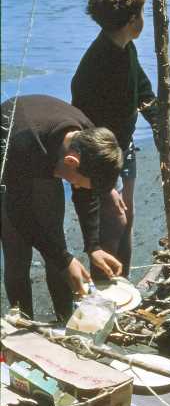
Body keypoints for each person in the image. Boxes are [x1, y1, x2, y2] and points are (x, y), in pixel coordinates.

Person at [0, 94, 123, 321]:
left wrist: (93, 246)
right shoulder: (21, 144)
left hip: (46, 152)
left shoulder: (89, 137)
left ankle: (64, 318)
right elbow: (19, 214)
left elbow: (87, 193)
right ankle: (24, 323)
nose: (77, 188)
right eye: (77, 183)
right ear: (70, 162)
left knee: (55, 240)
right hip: (11, 160)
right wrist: (64, 259)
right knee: (17, 251)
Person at [71, 0, 160, 280]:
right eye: (143, 14)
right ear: (132, 20)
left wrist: (157, 123)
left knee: (127, 216)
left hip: (125, 146)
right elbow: (84, 131)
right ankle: (104, 289)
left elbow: (144, 89)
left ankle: (124, 284)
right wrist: (105, 185)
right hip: (98, 155)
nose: (144, 20)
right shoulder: (96, 63)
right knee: (113, 222)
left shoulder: (125, 47)